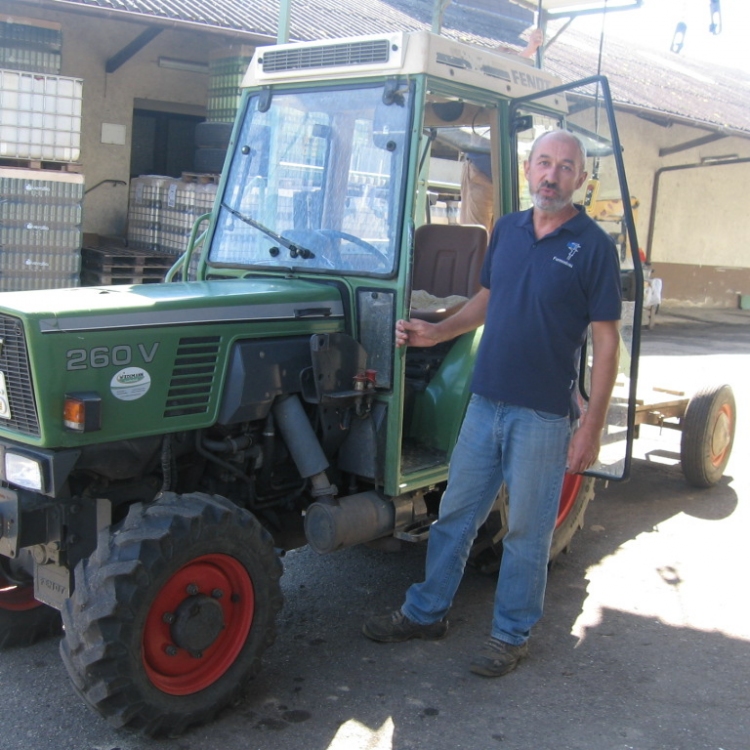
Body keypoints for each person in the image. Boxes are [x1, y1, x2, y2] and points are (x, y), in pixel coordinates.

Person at [363, 130, 622, 678]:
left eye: (565, 167)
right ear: (529, 169)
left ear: (580, 178)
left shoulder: (594, 247)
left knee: (527, 532)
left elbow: (606, 341)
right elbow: (488, 299)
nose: (552, 175)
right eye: (544, 163)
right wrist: (438, 334)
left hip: (543, 416)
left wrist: (591, 425)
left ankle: (510, 634)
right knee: (455, 516)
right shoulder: (505, 229)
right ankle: (425, 612)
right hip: (485, 405)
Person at [460, 28, 545, 231]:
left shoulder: (514, 98)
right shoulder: (482, 79)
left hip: (507, 172)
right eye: (507, 55)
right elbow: (498, 67)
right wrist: (529, 48)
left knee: (503, 232)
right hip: (481, 168)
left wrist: (529, 51)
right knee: (476, 234)